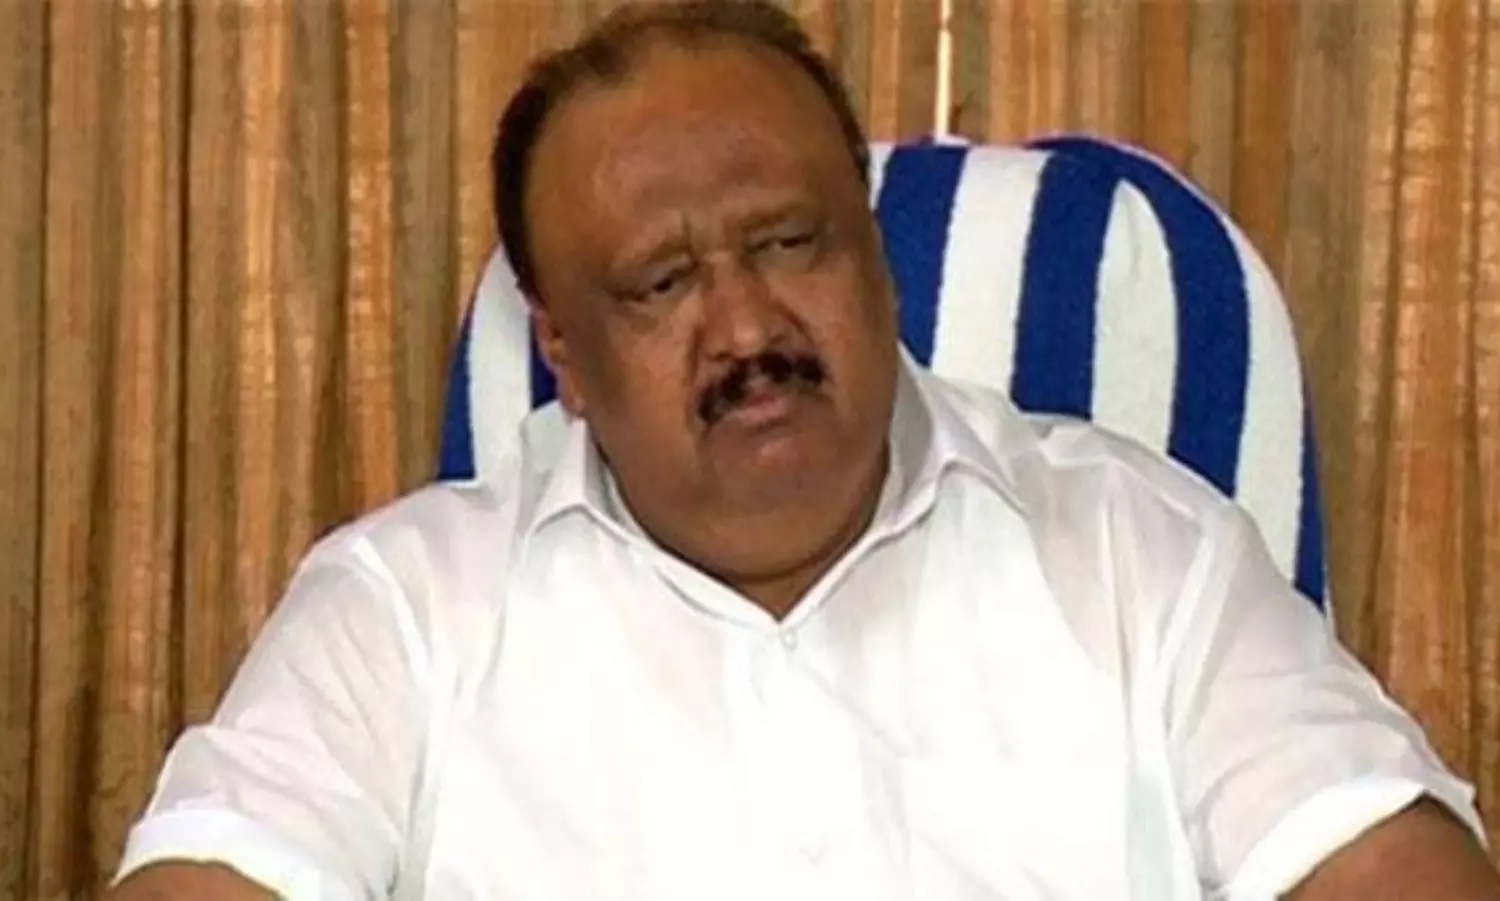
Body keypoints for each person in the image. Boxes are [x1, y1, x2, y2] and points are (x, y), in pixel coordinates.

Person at [110, 2, 1499, 899]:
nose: (746, 327)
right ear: (563, 358)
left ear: (877, 258)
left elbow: (1388, 863)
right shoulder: (405, 609)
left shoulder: (1138, 548)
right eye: (661, 284)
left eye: (789, 241)